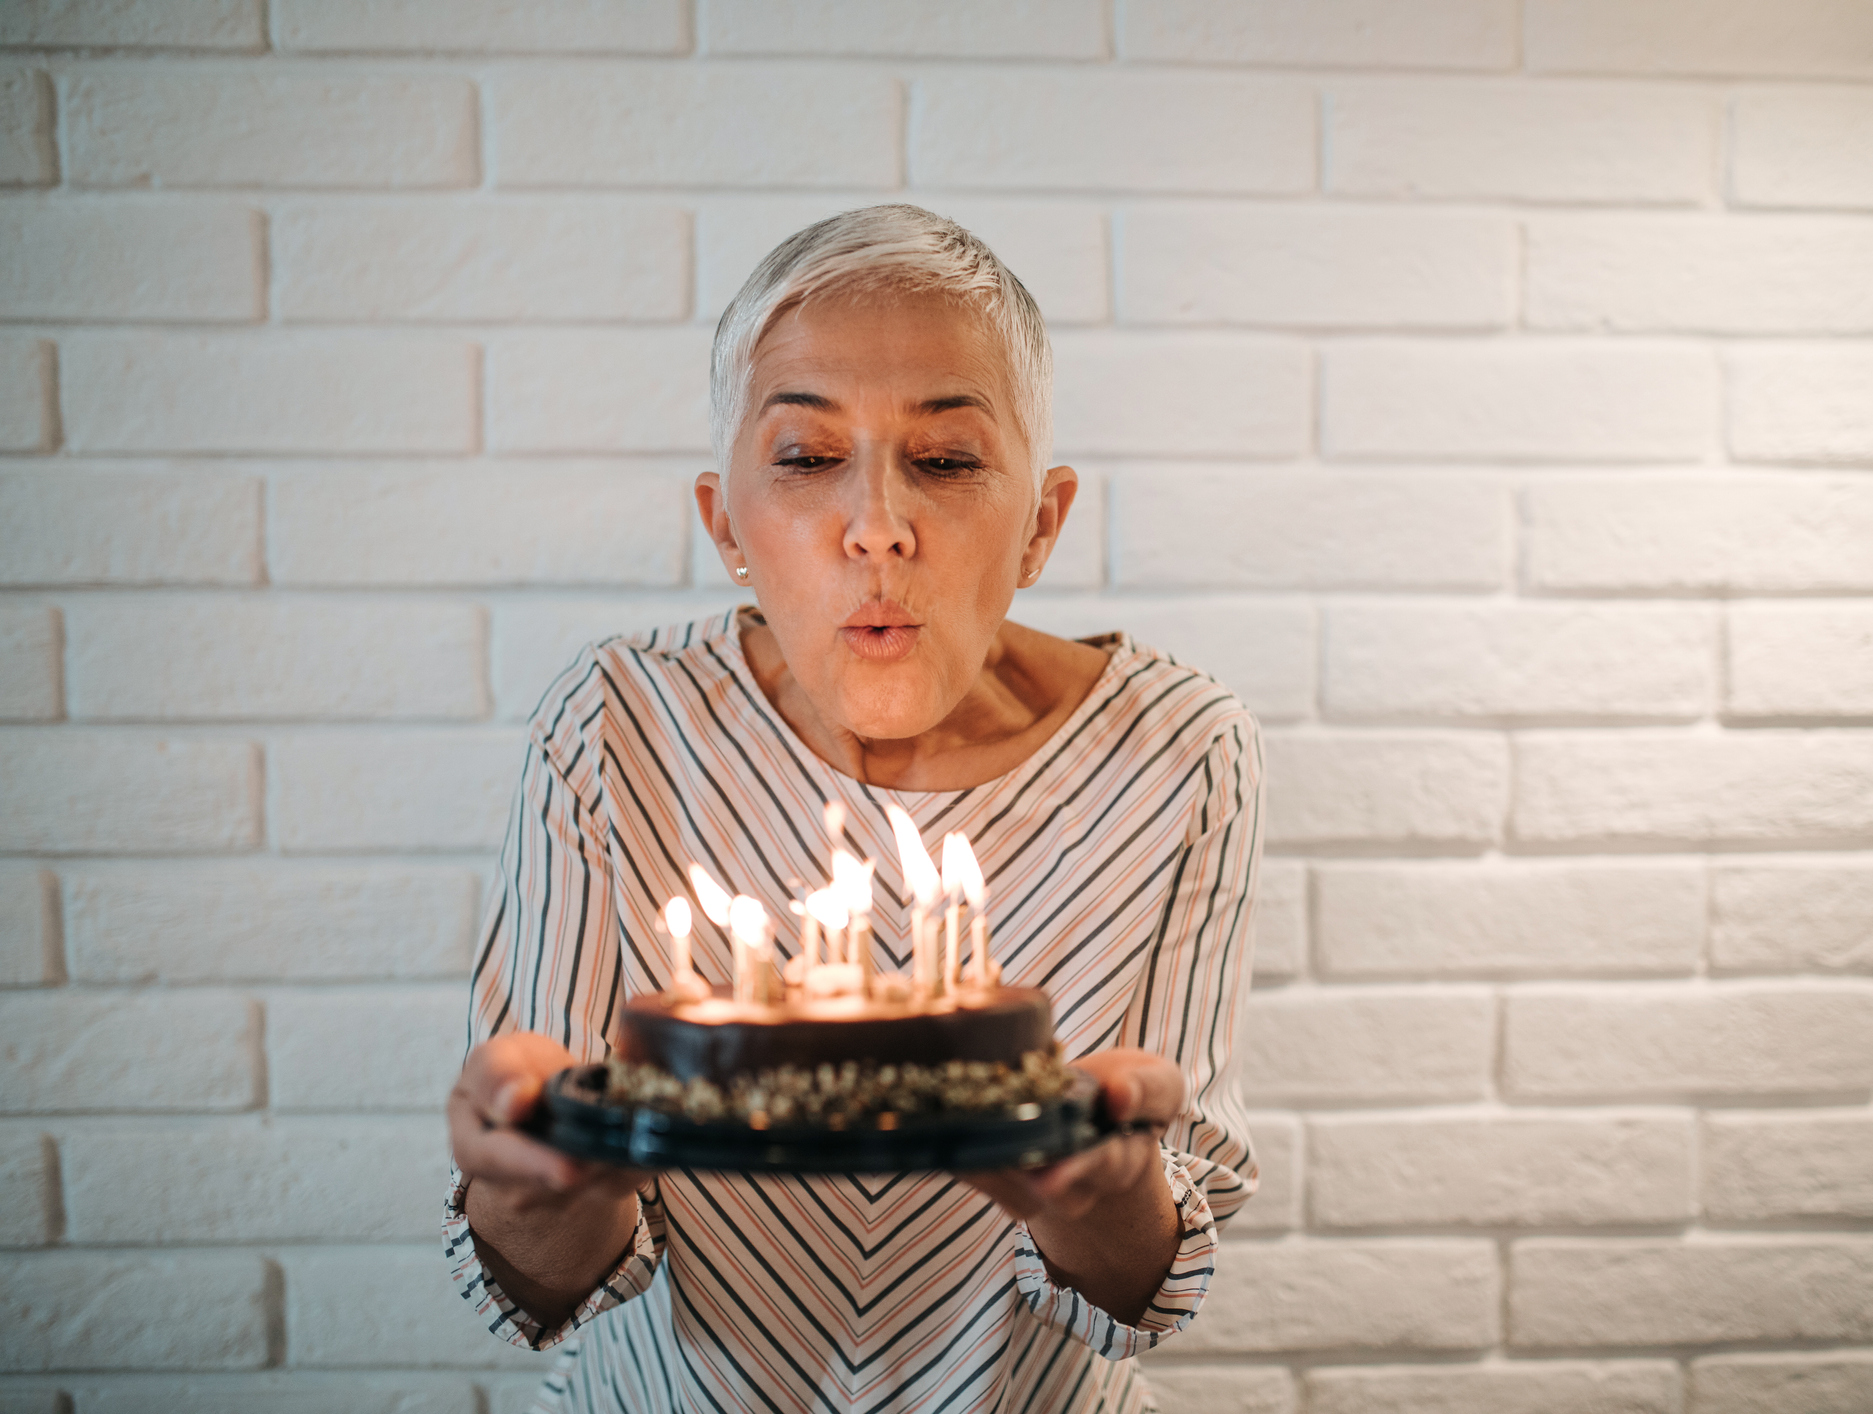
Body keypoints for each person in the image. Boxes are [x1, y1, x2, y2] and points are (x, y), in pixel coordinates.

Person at [443, 205, 1262, 1413]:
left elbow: (1146, 1287)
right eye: (807, 456)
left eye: (946, 460)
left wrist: (1107, 1197)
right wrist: (539, 1187)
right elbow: (536, 1282)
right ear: (726, 523)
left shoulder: (1180, 752)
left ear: (1041, 524)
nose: (878, 525)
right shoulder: (614, 726)